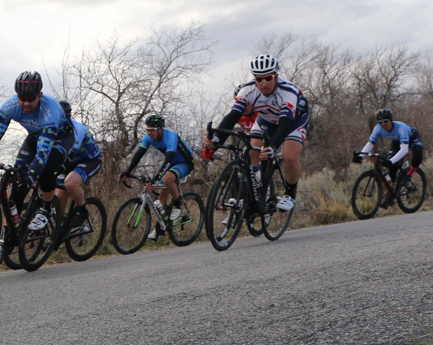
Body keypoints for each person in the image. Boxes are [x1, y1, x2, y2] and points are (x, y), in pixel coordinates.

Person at [0, 71, 73, 238]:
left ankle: (46, 209)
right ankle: (9, 237)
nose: (26, 103)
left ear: (40, 95)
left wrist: (30, 179)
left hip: (60, 140)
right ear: (17, 96)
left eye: (31, 98)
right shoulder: (9, 107)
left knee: (45, 170)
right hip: (35, 137)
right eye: (22, 98)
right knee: (17, 180)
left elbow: (43, 154)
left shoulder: (50, 111)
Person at [204, 54, 309, 212]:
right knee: (252, 150)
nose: (264, 84)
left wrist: (273, 146)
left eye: (268, 78)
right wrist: (216, 140)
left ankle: (290, 193)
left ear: (276, 76)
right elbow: (233, 117)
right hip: (266, 119)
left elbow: (285, 123)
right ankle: (258, 184)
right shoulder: (248, 90)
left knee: (289, 156)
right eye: (259, 79)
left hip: (293, 121)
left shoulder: (288, 92)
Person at [120, 112, 195, 240]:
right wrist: (128, 171)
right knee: (161, 198)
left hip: (185, 162)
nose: (149, 132)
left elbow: (169, 159)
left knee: (166, 179)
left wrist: (157, 177)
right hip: (171, 164)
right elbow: (138, 154)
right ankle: (161, 227)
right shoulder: (148, 138)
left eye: (152, 130)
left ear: (160, 129)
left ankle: (178, 202)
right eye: (147, 129)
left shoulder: (171, 137)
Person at [353, 109, 424, 201]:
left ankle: (410, 174)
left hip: (412, 138)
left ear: (390, 120)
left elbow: (404, 150)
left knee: (418, 153)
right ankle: (391, 192)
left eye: (385, 121)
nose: (383, 124)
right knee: (392, 168)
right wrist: (361, 156)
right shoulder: (378, 128)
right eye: (380, 122)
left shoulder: (400, 128)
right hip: (397, 141)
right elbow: (370, 144)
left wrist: (391, 161)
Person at [54, 100, 101, 233]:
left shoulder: (78, 129)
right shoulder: (52, 128)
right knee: (59, 198)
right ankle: (59, 231)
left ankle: (82, 210)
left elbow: (69, 153)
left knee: (70, 183)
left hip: (89, 160)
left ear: (68, 116)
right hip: (69, 163)